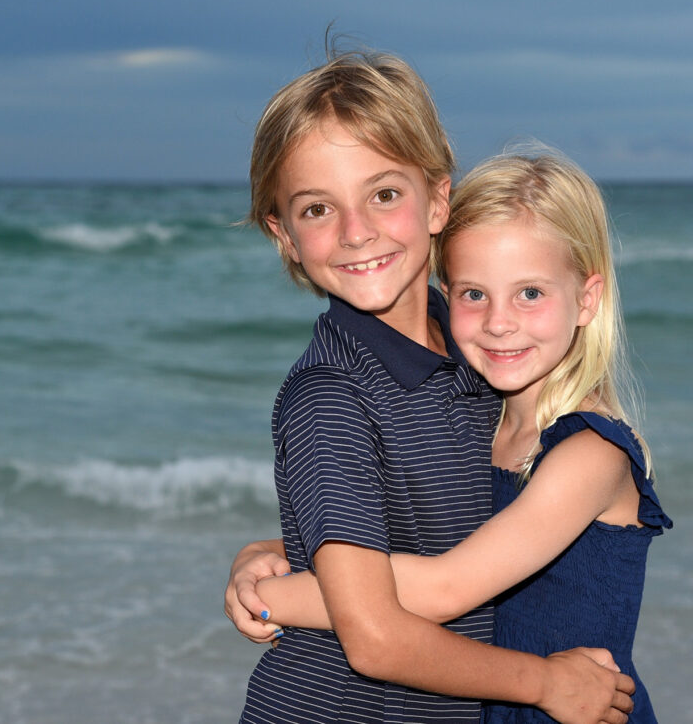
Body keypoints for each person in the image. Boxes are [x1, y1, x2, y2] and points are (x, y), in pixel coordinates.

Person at [229, 45, 636, 724]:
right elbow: (376, 637)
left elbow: (429, 544)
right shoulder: (330, 397)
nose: (358, 233)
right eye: (318, 210)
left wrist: (273, 559)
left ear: (438, 198)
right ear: (284, 235)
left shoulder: (482, 355)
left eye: (384, 194)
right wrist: (542, 684)